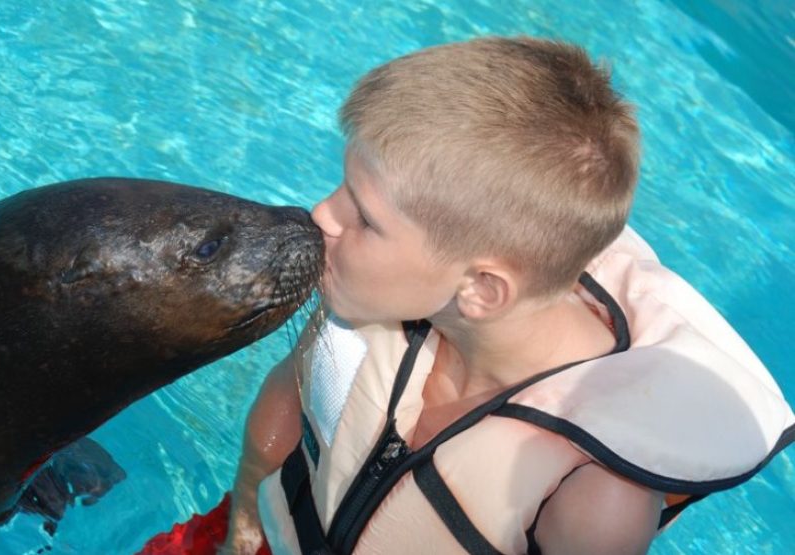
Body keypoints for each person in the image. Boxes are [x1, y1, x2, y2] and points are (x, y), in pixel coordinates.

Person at [221, 36, 795, 554]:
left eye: (366, 218)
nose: (323, 216)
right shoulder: (373, 293)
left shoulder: (593, 497)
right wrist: (243, 522)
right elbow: (291, 394)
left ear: (480, 288)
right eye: (342, 185)